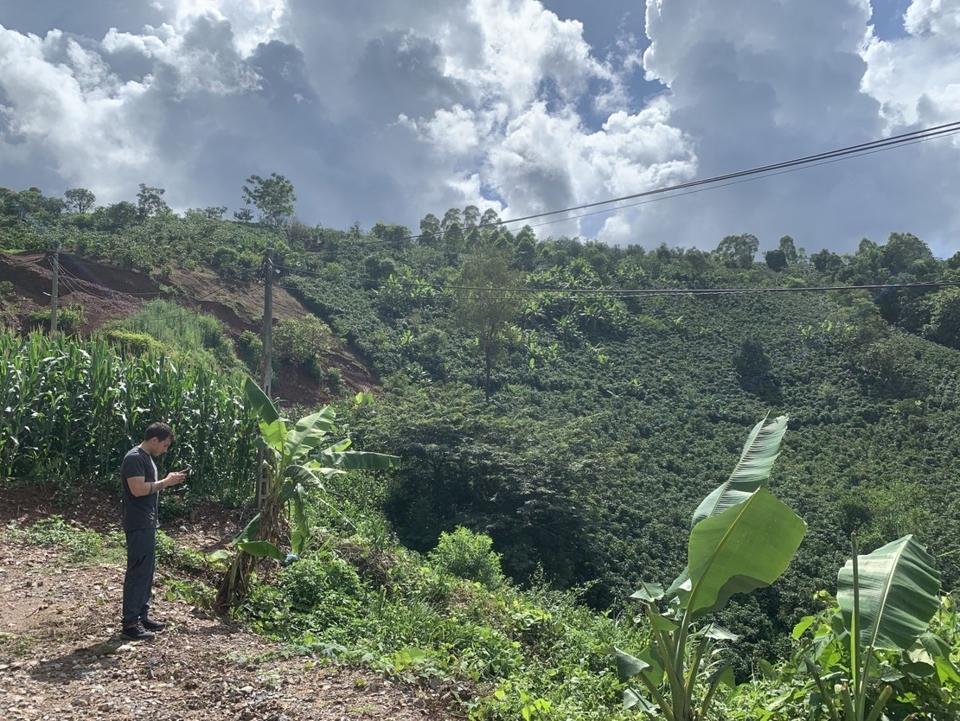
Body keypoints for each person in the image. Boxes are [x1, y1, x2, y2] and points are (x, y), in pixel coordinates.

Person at [119, 422, 188, 641]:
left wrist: (166, 480)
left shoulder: (146, 458)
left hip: (147, 522)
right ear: (154, 440)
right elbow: (138, 489)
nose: (164, 450)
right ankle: (130, 624)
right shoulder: (134, 459)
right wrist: (166, 483)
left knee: (146, 572)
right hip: (138, 522)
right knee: (138, 572)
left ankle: (142, 615)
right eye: (164, 445)